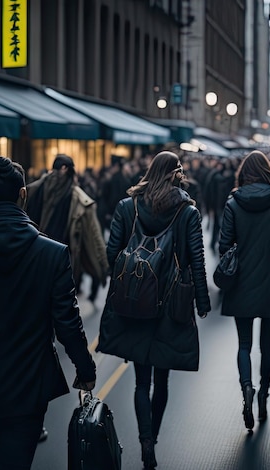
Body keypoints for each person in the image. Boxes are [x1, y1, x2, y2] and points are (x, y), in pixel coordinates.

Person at [0, 152, 96, 469]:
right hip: (28, 384)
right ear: (23, 194)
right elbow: (67, 323)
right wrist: (85, 368)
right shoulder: (53, 253)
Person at [97, 151, 211, 469]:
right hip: (171, 303)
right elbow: (197, 261)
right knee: (162, 381)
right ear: (176, 173)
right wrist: (201, 301)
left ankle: (143, 439)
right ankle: (154, 442)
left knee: (139, 382)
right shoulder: (187, 211)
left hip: (134, 303)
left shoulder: (127, 205)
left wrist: (126, 282)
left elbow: (111, 251)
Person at [217, 150, 270, 431]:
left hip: (241, 282)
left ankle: (247, 390)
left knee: (243, 345)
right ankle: (264, 395)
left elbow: (223, 245)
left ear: (243, 173)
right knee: (267, 345)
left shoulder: (233, 203)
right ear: (268, 172)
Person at [25, 154, 108, 297]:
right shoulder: (78, 197)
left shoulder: (34, 189)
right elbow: (95, 235)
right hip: (63, 259)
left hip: (35, 254)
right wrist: (103, 266)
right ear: (65, 169)